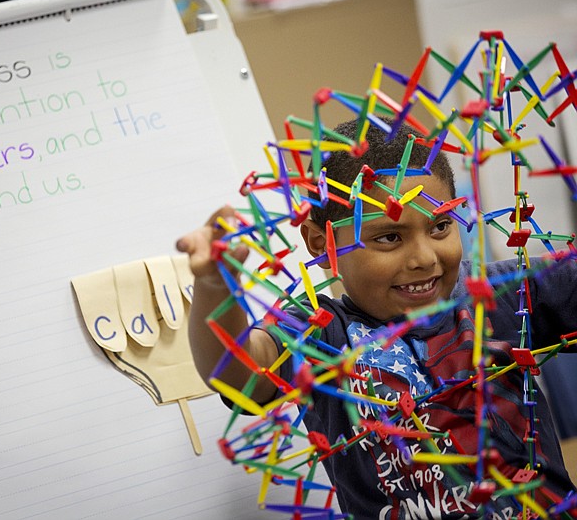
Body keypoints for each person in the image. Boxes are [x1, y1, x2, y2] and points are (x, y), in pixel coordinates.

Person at [176, 118, 577, 519]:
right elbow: (239, 370)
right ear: (323, 243)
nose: (424, 258)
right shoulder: (320, 334)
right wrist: (214, 284)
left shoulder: (495, 295)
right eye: (389, 237)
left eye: (440, 226)